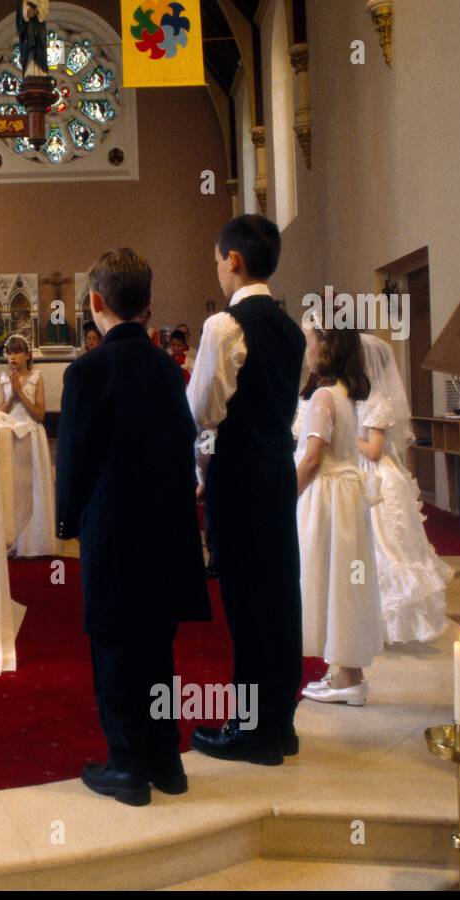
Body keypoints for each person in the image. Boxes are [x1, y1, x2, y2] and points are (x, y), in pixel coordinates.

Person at [57, 247, 210, 806]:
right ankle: (166, 758)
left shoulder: (87, 371)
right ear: (147, 304)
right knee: (156, 643)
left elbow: (74, 456)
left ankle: (126, 764)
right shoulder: (167, 368)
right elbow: (183, 443)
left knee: (115, 646)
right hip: (164, 526)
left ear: (96, 302)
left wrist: (67, 517)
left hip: (113, 528)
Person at [188, 215, 308, 766]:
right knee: (280, 595)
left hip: (238, 474)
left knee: (245, 600)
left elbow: (201, 410)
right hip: (277, 471)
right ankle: (279, 723)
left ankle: (251, 728)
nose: (217, 269)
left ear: (233, 260)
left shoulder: (224, 327)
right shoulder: (292, 329)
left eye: (217, 259)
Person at [296, 321, 385, 704]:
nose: (306, 350)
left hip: (327, 495)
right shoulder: (346, 395)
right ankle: (348, 674)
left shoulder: (323, 398)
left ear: (326, 349)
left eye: (310, 342)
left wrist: (287, 494)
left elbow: (314, 456)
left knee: (328, 577)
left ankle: (347, 678)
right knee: (344, 581)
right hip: (346, 495)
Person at [357, 333, 453, 643]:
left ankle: (390, 625)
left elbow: (373, 450)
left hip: (376, 476)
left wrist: (344, 436)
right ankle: (363, 622)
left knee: (386, 546)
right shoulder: (352, 397)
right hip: (358, 473)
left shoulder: (377, 401)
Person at [0, 334, 55, 556]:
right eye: (9, 353)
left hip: (31, 435)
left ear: (27, 355)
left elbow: (40, 414)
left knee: (33, 487)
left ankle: (35, 544)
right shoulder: (3, 378)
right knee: (13, 487)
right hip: (11, 435)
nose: (12, 357)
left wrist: (20, 392)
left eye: (17, 352)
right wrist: (11, 395)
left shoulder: (36, 377)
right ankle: (13, 543)